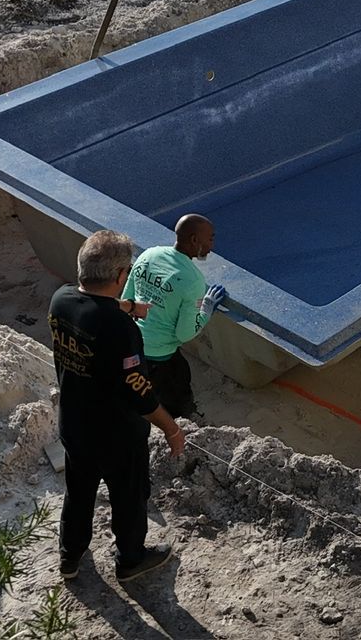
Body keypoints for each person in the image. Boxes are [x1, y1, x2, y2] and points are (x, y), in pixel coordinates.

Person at [49, 229, 184, 583]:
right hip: (116, 436)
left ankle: (70, 557)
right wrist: (170, 427)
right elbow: (137, 391)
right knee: (129, 496)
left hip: (74, 424)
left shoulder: (60, 300)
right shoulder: (119, 330)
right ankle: (130, 559)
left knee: (78, 494)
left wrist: (127, 307)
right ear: (122, 276)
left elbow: (96, 307)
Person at [122, 214, 226, 420]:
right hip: (160, 357)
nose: (212, 246)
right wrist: (205, 310)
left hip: (131, 347)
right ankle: (184, 423)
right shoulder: (192, 279)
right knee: (177, 393)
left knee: (139, 393)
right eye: (210, 239)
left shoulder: (148, 255)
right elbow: (185, 333)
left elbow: (126, 300)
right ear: (194, 240)